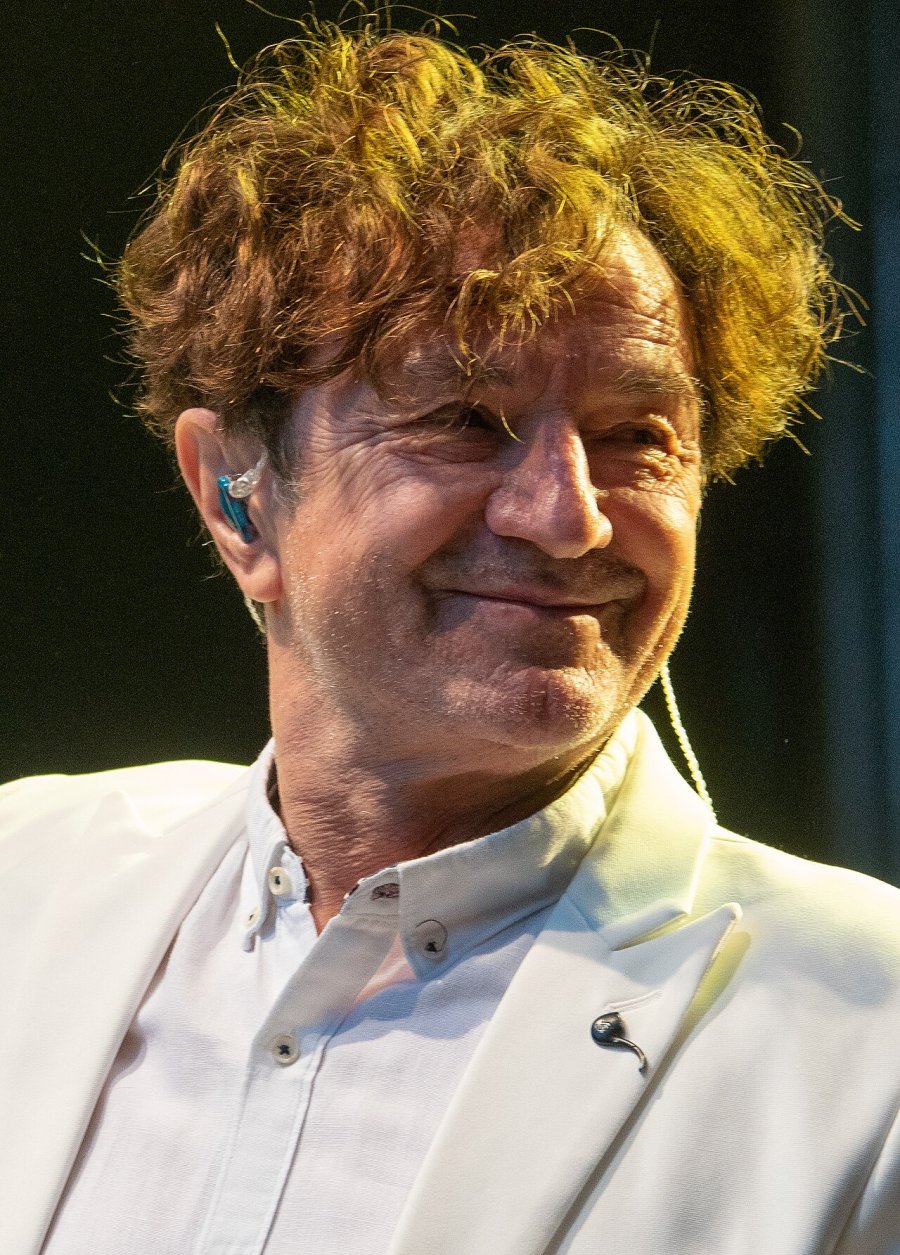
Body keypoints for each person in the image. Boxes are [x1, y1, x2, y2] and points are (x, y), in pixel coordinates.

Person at [2, 19, 898, 1255]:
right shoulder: (25, 881)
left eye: (637, 436)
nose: (570, 517)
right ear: (235, 498)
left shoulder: (871, 1039)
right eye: (465, 419)